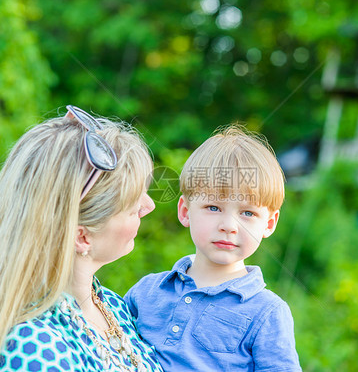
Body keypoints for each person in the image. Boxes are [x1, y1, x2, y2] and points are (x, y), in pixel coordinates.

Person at [0, 106, 164, 372]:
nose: (149, 206)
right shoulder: (32, 347)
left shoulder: (113, 306)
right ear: (81, 237)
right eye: (132, 207)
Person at [124, 125, 303, 371]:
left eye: (248, 213)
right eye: (213, 207)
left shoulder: (267, 312)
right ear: (186, 212)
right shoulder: (146, 293)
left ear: (269, 224)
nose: (229, 226)